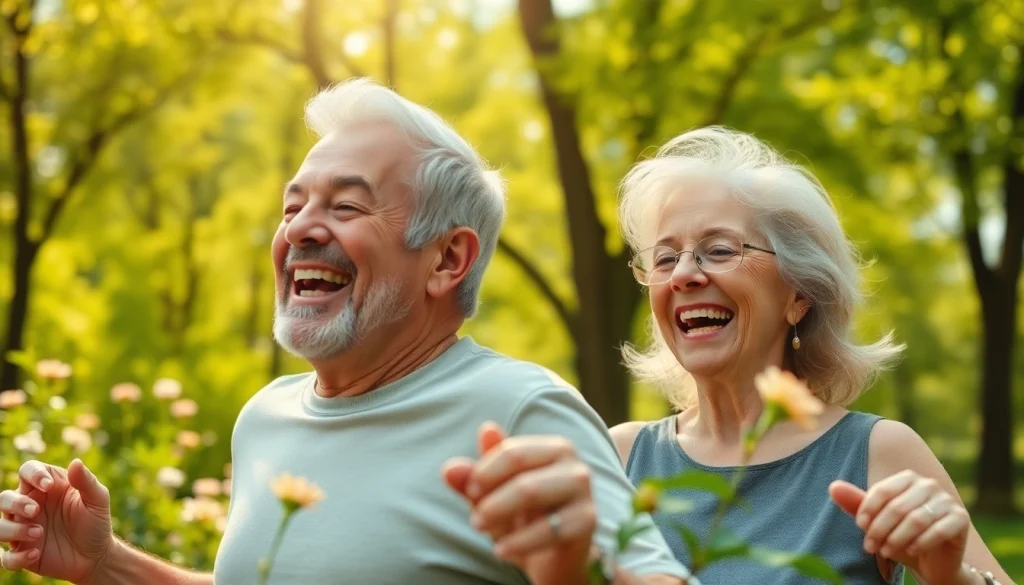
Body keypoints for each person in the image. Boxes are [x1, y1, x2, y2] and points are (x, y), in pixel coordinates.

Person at [0, 80, 692, 585]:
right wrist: (108, 562)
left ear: (447, 260)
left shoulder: (522, 409)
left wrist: (580, 575)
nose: (300, 227)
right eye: (293, 204)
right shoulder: (264, 415)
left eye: (346, 204)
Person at [592, 127, 1011, 585]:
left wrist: (954, 577)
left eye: (719, 250)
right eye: (665, 259)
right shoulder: (617, 457)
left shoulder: (878, 453)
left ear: (799, 296)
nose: (684, 275)